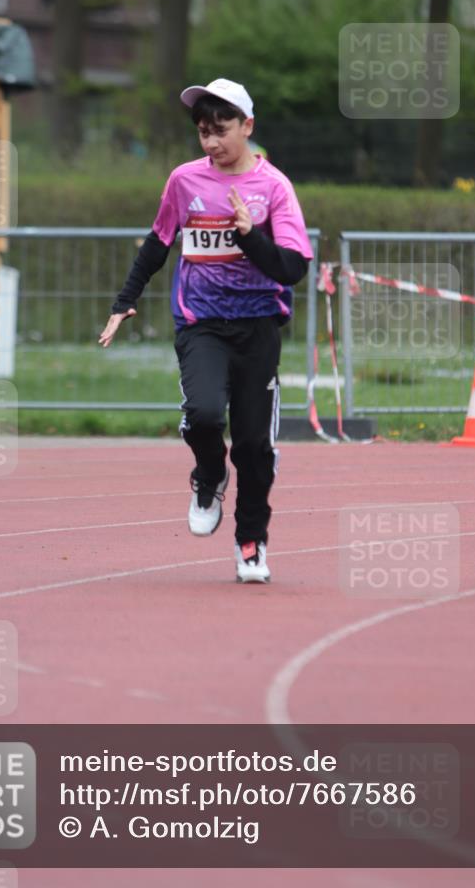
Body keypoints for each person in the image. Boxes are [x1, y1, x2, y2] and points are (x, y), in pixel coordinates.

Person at [99, 78, 313, 583]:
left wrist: (248, 235)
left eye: (221, 131)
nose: (212, 143)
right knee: (203, 413)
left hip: (258, 327)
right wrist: (123, 301)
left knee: (255, 448)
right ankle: (209, 474)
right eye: (203, 133)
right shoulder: (184, 181)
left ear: (248, 127)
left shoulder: (274, 188)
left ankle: (251, 543)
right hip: (201, 322)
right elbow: (158, 243)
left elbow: (292, 268)